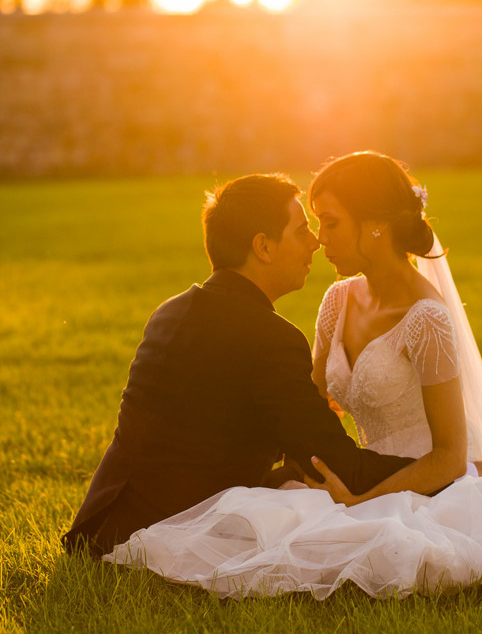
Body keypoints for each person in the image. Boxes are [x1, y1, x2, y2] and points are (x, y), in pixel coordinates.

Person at [102, 153, 482, 598]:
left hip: (424, 476)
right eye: (312, 225)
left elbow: (447, 455)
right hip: (354, 470)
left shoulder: (427, 318)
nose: (319, 239)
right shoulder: (334, 303)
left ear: (376, 226)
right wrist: (330, 483)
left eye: (330, 222)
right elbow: (313, 413)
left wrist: (372, 498)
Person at [63, 173, 432, 557]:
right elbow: (338, 465)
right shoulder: (271, 338)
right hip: (175, 533)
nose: (315, 243)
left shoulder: (170, 312)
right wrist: (443, 476)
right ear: (263, 247)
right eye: (301, 230)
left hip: (104, 522)